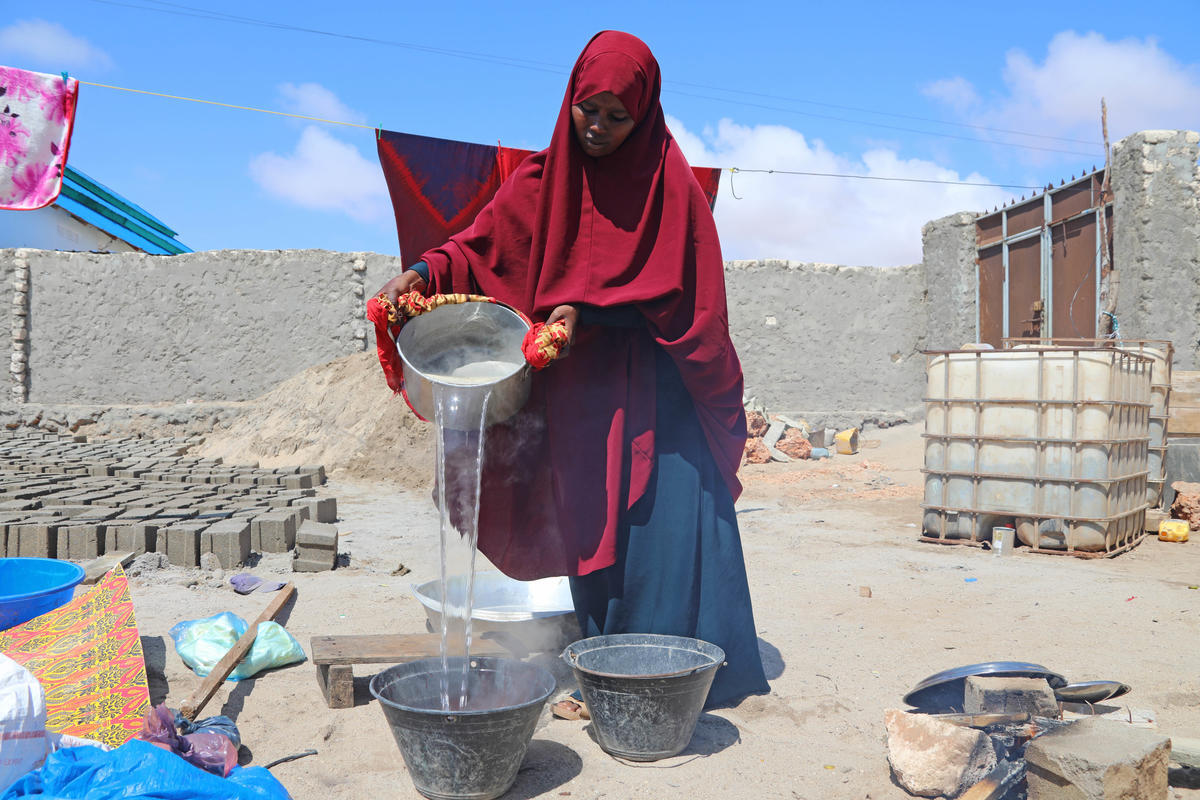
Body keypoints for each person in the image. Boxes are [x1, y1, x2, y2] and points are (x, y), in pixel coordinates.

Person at [377, 30, 768, 708]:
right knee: (592, 525)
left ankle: (670, 682)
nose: (599, 128)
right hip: (580, 399)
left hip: (657, 395)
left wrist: (597, 311)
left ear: (643, 115)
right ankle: (606, 667)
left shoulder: (668, 187)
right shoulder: (544, 181)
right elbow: (479, 247)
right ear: (570, 102)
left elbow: (693, 303)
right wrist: (421, 271)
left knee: (658, 536)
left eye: (618, 117)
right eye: (590, 110)